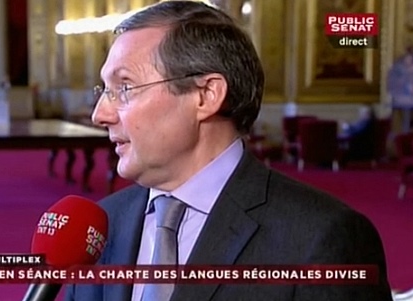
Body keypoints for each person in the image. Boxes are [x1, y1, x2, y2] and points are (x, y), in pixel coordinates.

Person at [64, 1, 392, 300]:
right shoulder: (98, 227)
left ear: (206, 95)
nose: (100, 114)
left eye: (124, 88)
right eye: (104, 90)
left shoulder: (322, 237)